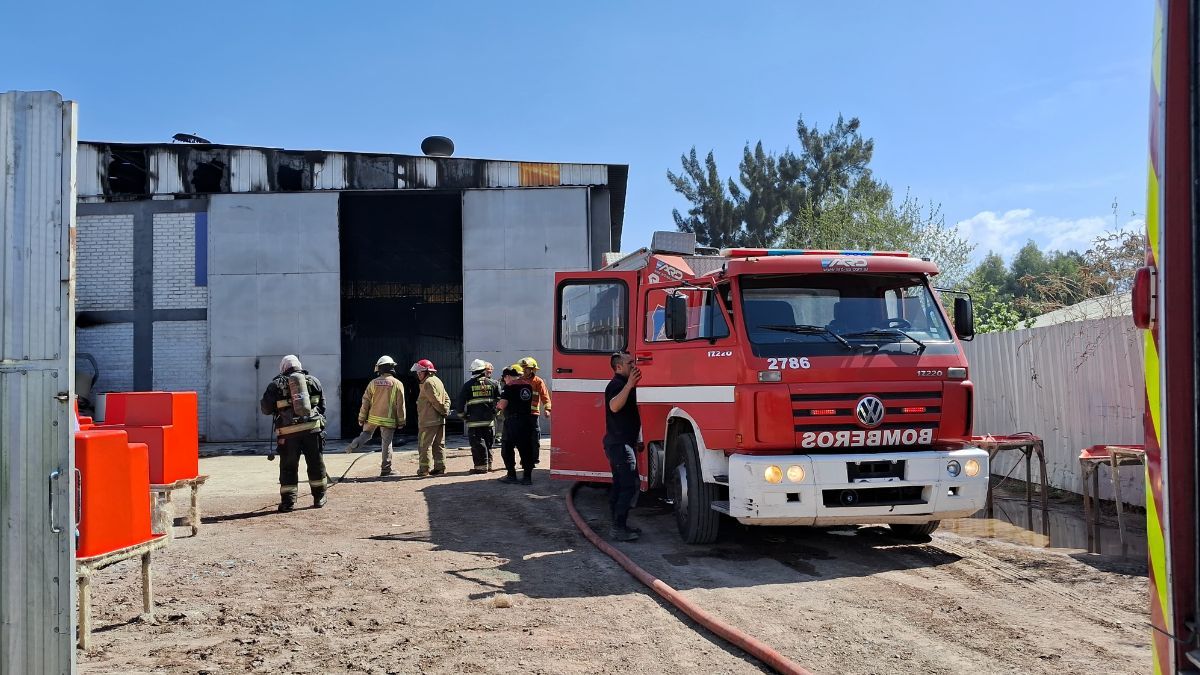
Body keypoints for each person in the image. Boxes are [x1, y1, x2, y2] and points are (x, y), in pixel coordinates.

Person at [259, 355, 328, 511]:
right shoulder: (313, 381)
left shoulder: (276, 385)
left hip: (288, 434)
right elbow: (322, 406)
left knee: (288, 467)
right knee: (316, 464)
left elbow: (265, 409)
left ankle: (288, 503)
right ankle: (319, 498)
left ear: (283, 368)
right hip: (312, 431)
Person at [342, 355, 406, 476]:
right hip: (388, 419)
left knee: (366, 434)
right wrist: (401, 421)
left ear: (379, 368)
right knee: (387, 442)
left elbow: (365, 401)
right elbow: (400, 404)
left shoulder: (373, 383)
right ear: (392, 367)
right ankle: (386, 469)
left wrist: (361, 418)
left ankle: (354, 444)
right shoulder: (397, 384)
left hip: (372, 417)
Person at [604, 351, 642, 541]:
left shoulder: (626, 386)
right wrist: (629, 385)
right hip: (619, 444)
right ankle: (618, 528)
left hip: (622, 443)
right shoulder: (617, 385)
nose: (634, 366)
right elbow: (614, 406)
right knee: (629, 485)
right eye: (630, 363)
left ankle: (619, 525)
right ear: (619, 367)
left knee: (620, 485)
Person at [458, 359, 501, 474]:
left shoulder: (467, 385)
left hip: (474, 421)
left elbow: (460, 403)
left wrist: (463, 416)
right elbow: (500, 400)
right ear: (484, 370)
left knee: (477, 443)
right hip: (489, 421)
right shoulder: (494, 383)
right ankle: (489, 465)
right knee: (488, 443)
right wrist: (495, 411)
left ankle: (481, 467)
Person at [496, 364, 537, 485]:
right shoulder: (528, 386)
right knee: (526, 448)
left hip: (513, 421)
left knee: (507, 448)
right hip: (527, 420)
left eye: (504, 378)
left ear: (508, 376)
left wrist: (498, 405)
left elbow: (502, 405)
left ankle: (511, 475)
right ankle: (527, 477)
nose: (504, 380)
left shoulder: (509, 387)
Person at [412, 359, 450, 477]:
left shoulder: (428, 383)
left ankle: (424, 469)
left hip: (428, 421)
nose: (418, 374)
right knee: (439, 444)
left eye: (420, 372)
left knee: (424, 445)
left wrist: (443, 411)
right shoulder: (438, 381)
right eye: (417, 372)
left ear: (427, 371)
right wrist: (445, 411)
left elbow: (435, 401)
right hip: (439, 420)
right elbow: (447, 398)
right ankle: (440, 467)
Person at [519, 356, 552, 460]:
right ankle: (524, 458)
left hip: (533, 414)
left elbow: (545, 396)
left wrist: (547, 409)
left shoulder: (538, 381)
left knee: (534, 436)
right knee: (522, 437)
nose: (524, 370)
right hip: (520, 414)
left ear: (532, 369)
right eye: (523, 368)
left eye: (526, 368)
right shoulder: (518, 381)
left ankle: (534, 458)